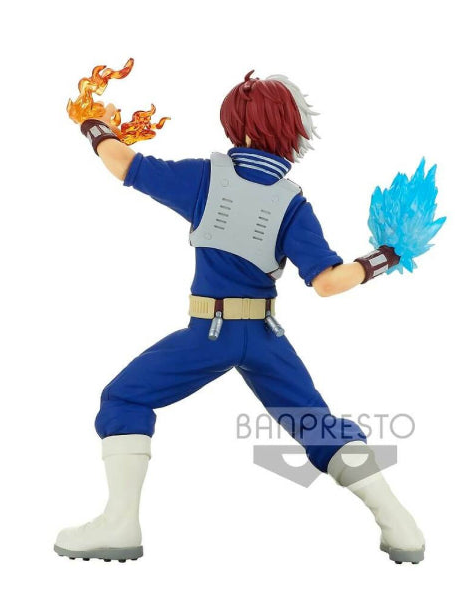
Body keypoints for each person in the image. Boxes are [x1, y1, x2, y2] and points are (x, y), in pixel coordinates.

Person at [55, 71, 425, 564]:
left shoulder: (205, 178)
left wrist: (95, 126)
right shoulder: (293, 203)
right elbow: (328, 282)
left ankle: (119, 524)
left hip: (209, 332)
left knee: (124, 397)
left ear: (241, 127)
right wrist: (385, 257)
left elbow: (121, 164)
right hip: (265, 336)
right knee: (317, 424)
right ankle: (401, 526)